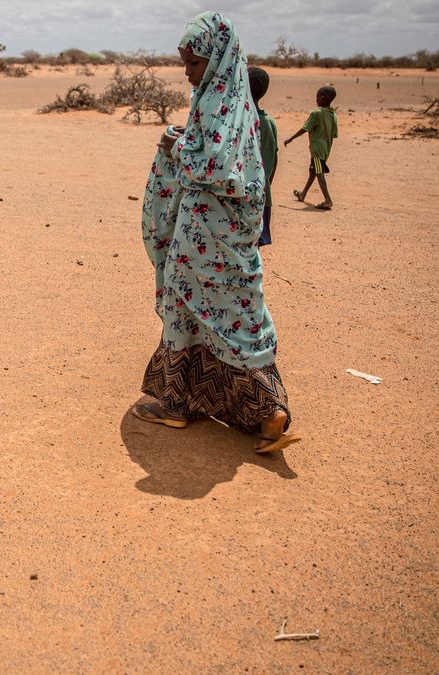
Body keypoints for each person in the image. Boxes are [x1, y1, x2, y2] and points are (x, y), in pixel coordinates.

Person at [137, 11, 299, 453]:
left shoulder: (216, 105)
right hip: (226, 237)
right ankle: (268, 411)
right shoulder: (237, 104)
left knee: (188, 307)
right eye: (185, 63)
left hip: (206, 236)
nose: (188, 73)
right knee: (236, 316)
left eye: (193, 64)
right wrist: (186, 139)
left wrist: (177, 146)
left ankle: (175, 403)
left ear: (218, 59)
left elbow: (221, 168)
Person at [285, 86, 338, 210]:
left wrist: (291, 138)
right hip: (325, 149)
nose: (316, 99)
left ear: (323, 97)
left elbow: (305, 128)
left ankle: (328, 200)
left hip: (317, 150)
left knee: (319, 173)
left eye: (317, 97)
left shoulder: (316, 113)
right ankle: (303, 193)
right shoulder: (333, 114)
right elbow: (334, 134)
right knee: (313, 171)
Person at [248, 66, 277, 246]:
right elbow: (275, 158)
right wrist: (266, 184)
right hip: (263, 192)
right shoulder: (269, 123)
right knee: (256, 243)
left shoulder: (244, 122)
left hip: (243, 194)